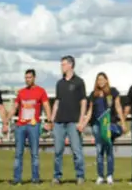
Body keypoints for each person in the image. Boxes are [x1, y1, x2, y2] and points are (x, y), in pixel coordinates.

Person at [83, 72, 126, 185]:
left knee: (109, 150)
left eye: (102, 79)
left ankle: (110, 175)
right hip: (97, 125)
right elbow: (90, 111)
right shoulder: (93, 94)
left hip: (108, 125)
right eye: (98, 79)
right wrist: (83, 124)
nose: (100, 81)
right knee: (99, 150)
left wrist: (123, 122)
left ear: (106, 80)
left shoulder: (113, 92)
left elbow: (118, 107)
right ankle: (100, 176)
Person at [51, 55, 87, 185]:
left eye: (63, 64)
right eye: (61, 64)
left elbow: (83, 102)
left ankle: (80, 176)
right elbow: (57, 101)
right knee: (57, 151)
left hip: (73, 122)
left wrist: (81, 121)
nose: (62, 66)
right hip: (59, 122)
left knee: (77, 150)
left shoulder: (79, 82)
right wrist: (52, 119)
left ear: (71, 65)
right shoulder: (59, 83)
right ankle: (57, 177)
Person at [13, 68, 51, 185]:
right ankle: (17, 179)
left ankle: (35, 179)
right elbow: (15, 107)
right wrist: (6, 118)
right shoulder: (21, 92)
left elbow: (46, 106)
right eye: (26, 78)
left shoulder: (41, 91)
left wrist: (49, 120)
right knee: (18, 153)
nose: (27, 80)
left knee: (34, 153)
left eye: (29, 77)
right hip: (20, 126)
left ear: (34, 78)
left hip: (34, 126)